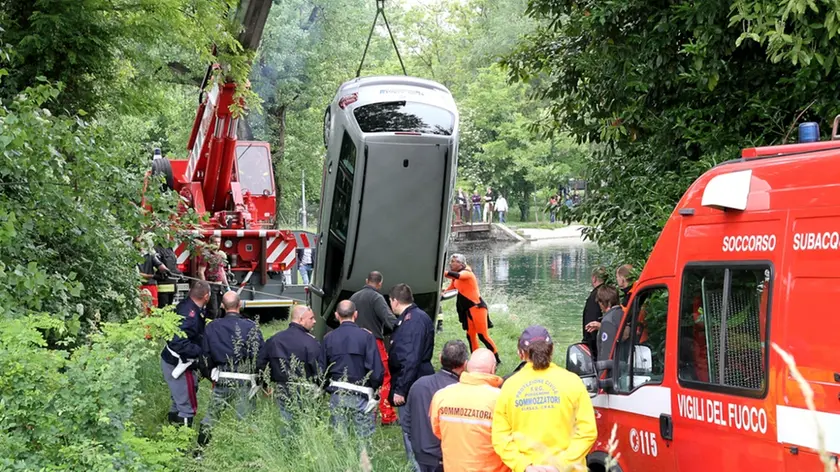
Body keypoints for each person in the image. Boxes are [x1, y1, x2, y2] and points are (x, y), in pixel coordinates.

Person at [492, 326, 597, 472]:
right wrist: (561, 464)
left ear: (521, 354)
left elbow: (500, 437)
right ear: (552, 350)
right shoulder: (572, 381)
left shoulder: (509, 386)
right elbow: (588, 432)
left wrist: (525, 466)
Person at [198, 291, 264, 446]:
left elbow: (205, 356)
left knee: (211, 416)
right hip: (245, 378)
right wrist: (260, 380)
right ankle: (248, 451)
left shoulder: (212, 327)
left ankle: (200, 450)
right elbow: (261, 355)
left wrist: (211, 375)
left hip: (223, 376)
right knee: (246, 419)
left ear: (222, 305)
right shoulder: (251, 326)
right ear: (239, 304)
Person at [431, 348, 508, 472]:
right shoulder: (501, 398)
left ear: (467, 366)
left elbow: (438, 431)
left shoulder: (442, 395)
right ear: (493, 369)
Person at [322, 300, 384, 445]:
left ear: (336, 315)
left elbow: (322, 370)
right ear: (355, 314)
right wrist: (375, 389)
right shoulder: (367, 337)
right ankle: (363, 465)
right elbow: (376, 369)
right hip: (361, 394)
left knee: (339, 439)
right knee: (364, 439)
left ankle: (342, 466)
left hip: (338, 394)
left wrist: (327, 388)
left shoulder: (328, 338)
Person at [402, 340, 469, 472]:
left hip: (421, 455)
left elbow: (406, 423)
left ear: (440, 357)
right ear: (465, 364)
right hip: (448, 459)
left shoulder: (419, 384)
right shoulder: (463, 392)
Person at [387, 283, 435, 466]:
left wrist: (401, 389)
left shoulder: (411, 321)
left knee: (410, 426)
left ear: (394, 301)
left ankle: (416, 466)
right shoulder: (418, 317)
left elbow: (410, 358)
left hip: (412, 382)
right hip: (418, 378)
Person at [257, 305, 324, 421]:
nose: (315, 321)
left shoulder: (274, 340)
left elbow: (260, 364)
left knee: (286, 422)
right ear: (301, 319)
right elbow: (319, 369)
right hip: (306, 389)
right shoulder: (311, 343)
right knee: (306, 424)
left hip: (281, 388)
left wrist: (264, 386)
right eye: (311, 318)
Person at [349, 271, 399, 425]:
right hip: (373, 342)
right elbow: (388, 319)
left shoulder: (354, 297)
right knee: (384, 376)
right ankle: (387, 416)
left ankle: (359, 410)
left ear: (366, 280)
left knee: (359, 376)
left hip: (355, 343)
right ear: (380, 284)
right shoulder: (376, 297)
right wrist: (401, 327)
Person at [160, 281, 210, 427]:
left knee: (178, 400)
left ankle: (172, 434)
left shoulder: (187, 306)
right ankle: (183, 442)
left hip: (171, 361)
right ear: (206, 296)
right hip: (180, 363)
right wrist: (200, 353)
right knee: (187, 406)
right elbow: (178, 342)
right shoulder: (189, 314)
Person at [443, 253, 501, 364]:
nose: (450, 264)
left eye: (452, 262)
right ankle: (475, 358)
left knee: (483, 336)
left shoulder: (467, 273)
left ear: (460, 264)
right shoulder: (456, 275)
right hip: (467, 309)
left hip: (477, 308)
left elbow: (458, 276)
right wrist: (442, 293)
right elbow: (452, 286)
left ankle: (497, 359)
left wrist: (440, 272)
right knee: (470, 335)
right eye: (450, 261)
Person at [198, 235, 228, 319]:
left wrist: (227, 286)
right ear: (210, 243)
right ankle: (208, 328)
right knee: (212, 311)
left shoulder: (219, 255)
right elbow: (201, 272)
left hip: (219, 286)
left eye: (219, 242)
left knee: (218, 311)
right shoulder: (206, 256)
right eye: (215, 242)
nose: (217, 244)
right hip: (211, 285)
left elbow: (222, 271)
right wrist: (205, 287)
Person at [591, 285, 623, 363]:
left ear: (602, 302)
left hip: (610, 370)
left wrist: (602, 372)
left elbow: (606, 354)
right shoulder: (621, 313)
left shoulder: (608, 321)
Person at [581, 267, 607, 359]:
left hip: (594, 346)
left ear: (594, 278)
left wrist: (588, 346)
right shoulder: (609, 293)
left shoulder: (594, 297)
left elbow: (590, 323)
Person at [155, 239, 183, 308]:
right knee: (163, 309)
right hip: (163, 285)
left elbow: (173, 266)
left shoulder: (170, 249)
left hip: (172, 285)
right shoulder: (156, 250)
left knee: (170, 310)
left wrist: (180, 273)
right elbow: (157, 267)